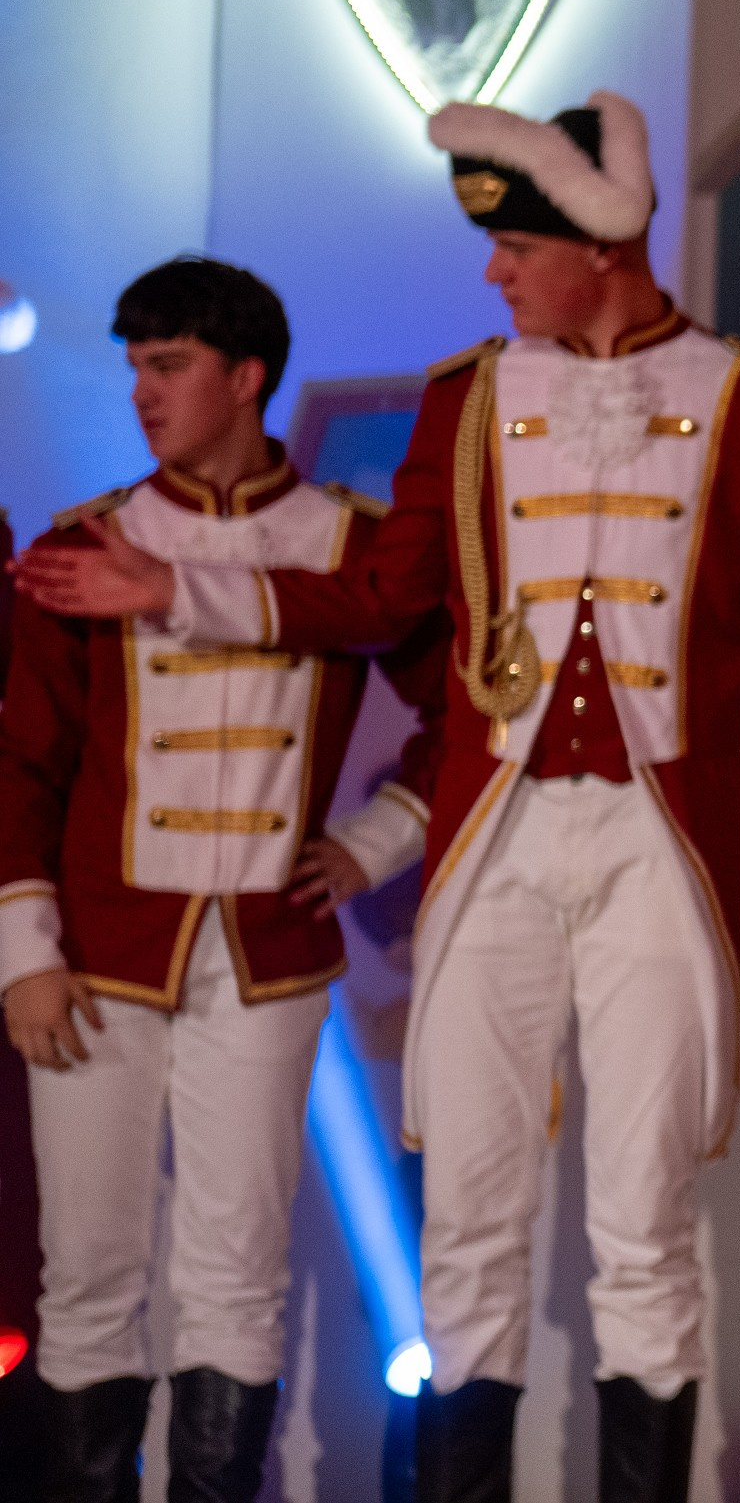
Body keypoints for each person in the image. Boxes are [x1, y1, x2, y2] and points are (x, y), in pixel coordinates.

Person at [11, 95, 740, 1501]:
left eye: (516, 248)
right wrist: (179, 590)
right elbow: (386, 600)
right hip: (495, 834)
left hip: (657, 841)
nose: (496, 275)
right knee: (467, 1217)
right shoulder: (466, 397)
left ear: (600, 243)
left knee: (646, 1218)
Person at [0, 259, 443, 1500]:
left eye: (170, 364)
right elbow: (22, 764)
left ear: (246, 377)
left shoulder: (353, 551)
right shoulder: (81, 546)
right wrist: (23, 954)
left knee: (237, 1275)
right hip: (95, 959)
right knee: (87, 1276)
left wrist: (377, 838)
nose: (143, 392)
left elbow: (470, 716)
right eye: (135, 366)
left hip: (264, 961)